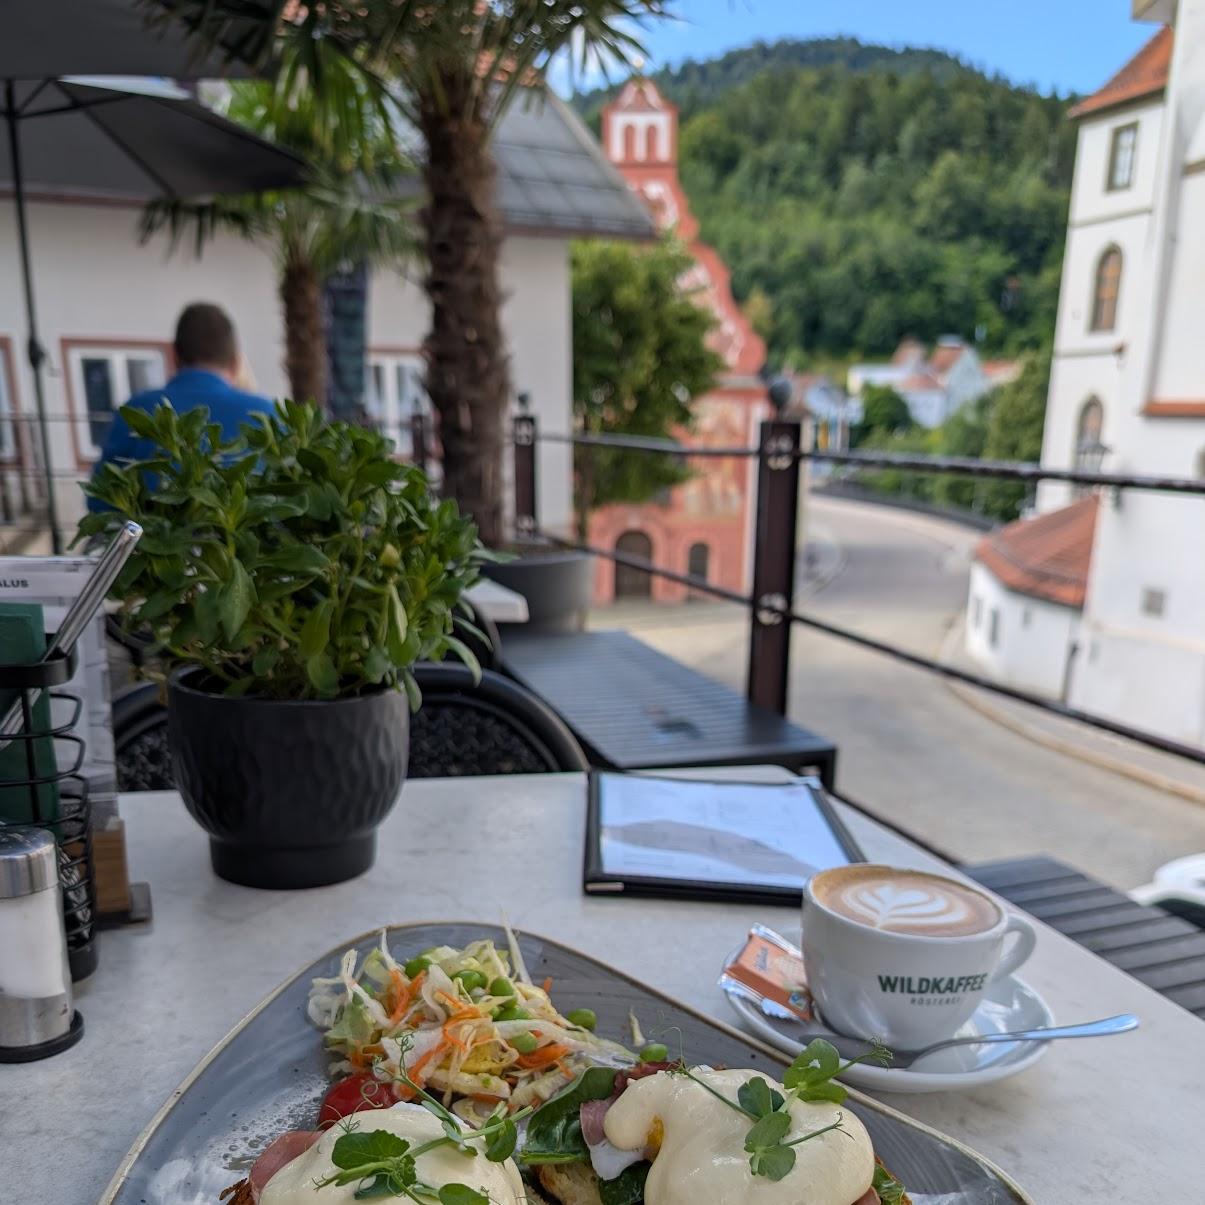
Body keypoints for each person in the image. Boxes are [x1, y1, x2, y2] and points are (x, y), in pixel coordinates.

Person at [90, 302, 275, 488]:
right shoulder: (266, 414)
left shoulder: (136, 413)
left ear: (175, 357)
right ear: (236, 362)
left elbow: (101, 498)